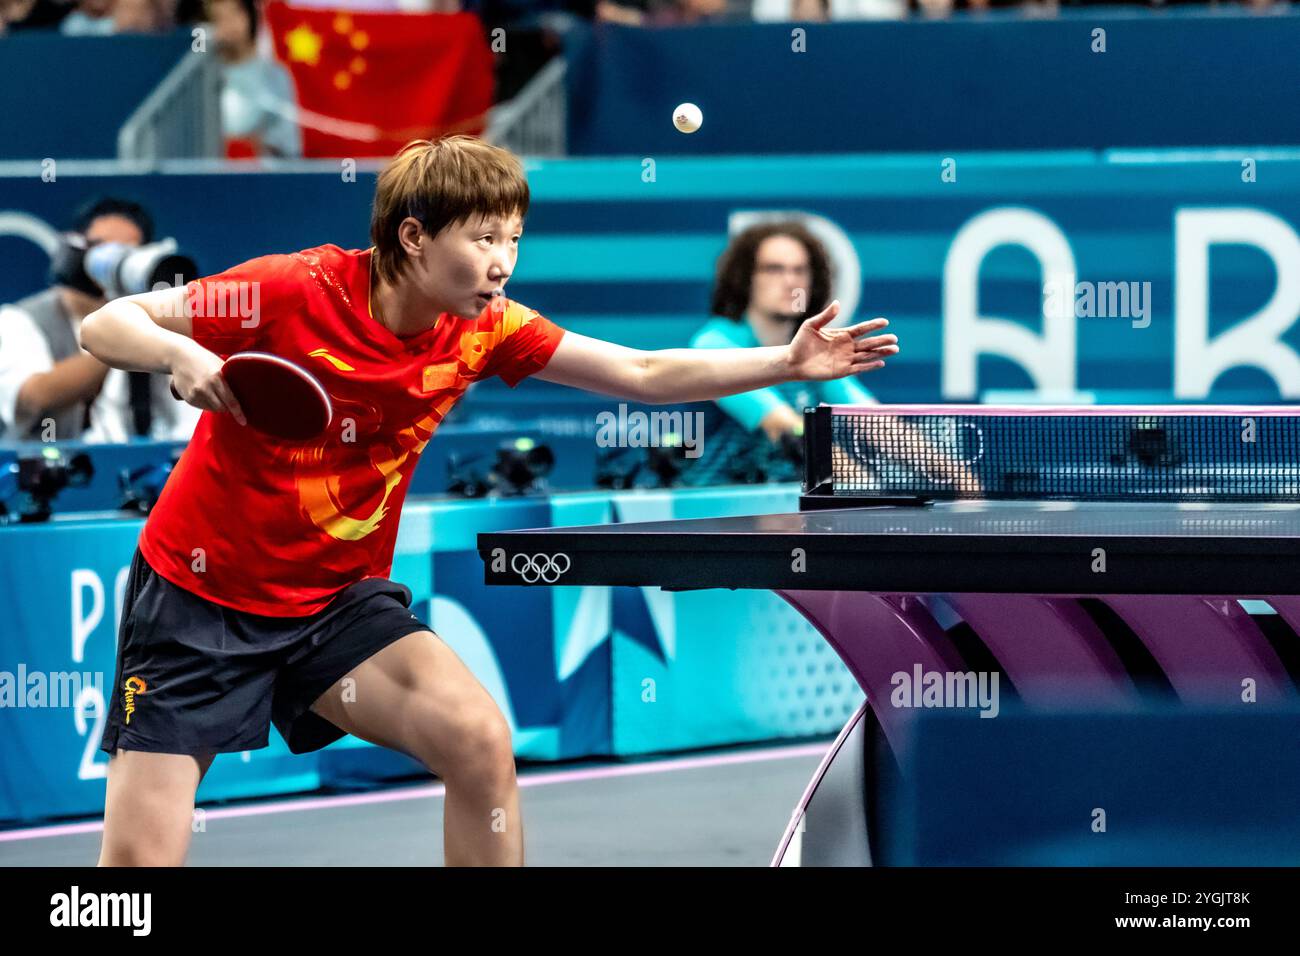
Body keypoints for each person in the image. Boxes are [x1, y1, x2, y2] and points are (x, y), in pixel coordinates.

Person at [80, 135, 896, 867]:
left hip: (333, 603)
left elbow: (642, 375)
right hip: (198, 602)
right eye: (483, 238)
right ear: (413, 237)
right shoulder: (288, 289)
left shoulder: (484, 328)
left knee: (477, 741)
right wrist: (176, 351)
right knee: (137, 877)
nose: (504, 260)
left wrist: (783, 364)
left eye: (512, 236)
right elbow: (110, 323)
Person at [686, 220, 878, 484]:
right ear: (745, 278)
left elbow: (877, 425)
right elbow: (785, 427)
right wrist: (865, 486)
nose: (790, 282)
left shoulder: (813, 349)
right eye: (774, 269)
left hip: (785, 510)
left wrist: (956, 478)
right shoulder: (713, 345)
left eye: (800, 271)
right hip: (714, 513)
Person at [205, 0, 302, 158]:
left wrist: (256, 147)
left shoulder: (276, 76)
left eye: (235, 14)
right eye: (218, 18)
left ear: (251, 17)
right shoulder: (200, 79)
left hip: (263, 176)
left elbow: (289, 143)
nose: (229, 25)